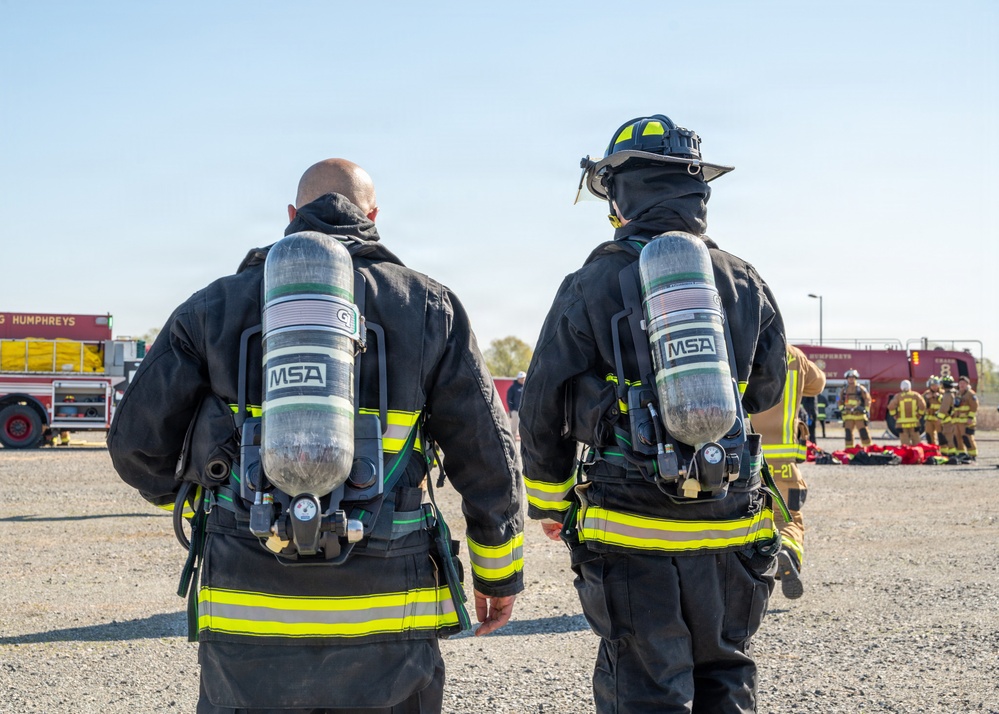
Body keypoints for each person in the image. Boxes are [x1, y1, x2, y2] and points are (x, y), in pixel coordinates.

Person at [107, 159, 524, 713]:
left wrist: (200, 496)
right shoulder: (427, 307)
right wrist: (498, 576)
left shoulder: (215, 306)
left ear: (291, 216)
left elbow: (136, 445)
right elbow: (488, 457)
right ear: (373, 216)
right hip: (388, 614)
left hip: (247, 607)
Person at [520, 114, 787, 712]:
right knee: (725, 673)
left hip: (631, 527)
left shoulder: (592, 281)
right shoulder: (744, 280)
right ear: (698, 194)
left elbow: (542, 404)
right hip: (732, 525)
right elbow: (767, 390)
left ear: (620, 194)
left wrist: (549, 500)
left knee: (645, 687)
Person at [751, 344, 826, 600]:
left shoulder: (742, 345)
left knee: (745, 519)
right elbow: (818, 384)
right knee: (789, 518)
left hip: (748, 462)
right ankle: (788, 552)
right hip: (783, 466)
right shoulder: (794, 355)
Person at [887, 380, 926, 446]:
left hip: (901, 424)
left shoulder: (898, 396)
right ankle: (918, 455)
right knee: (917, 443)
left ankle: (907, 455)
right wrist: (920, 414)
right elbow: (923, 405)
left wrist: (894, 415)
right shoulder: (916, 395)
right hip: (914, 423)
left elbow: (891, 406)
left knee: (905, 444)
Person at [840, 369, 872, 448]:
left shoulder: (861, 389)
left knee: (863, 433)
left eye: (852, 378)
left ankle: (868, 449)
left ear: (856, 378)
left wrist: (866, 410)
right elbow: (839, 400)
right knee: (848, 434)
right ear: (847, 379)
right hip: (848, 416)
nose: (851, 379)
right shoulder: (844, 390)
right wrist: (841, 409)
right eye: (849, 378)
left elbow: (867, 399)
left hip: (859, 415)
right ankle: (849, 449)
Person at [953, 375, 979, 463]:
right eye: (960, 383)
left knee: (967, 437)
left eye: (963, 383)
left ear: (967, 384)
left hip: (967, 421)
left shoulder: (971, 394)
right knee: (957, 437)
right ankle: (961, 454)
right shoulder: (957, 393)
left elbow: (974, 407)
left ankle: (972, 454)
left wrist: (970, 417)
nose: (961, 385)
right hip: (957, 421)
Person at [922, 376, 944, 446]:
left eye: (936, 385)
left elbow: (947, 403)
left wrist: (938, 397)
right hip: (929, 419)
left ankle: (943, 451)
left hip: (939, 419)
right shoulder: (926, 394)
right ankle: (932, 451)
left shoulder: (943, 393)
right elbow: (920, 403)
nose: (934, 387)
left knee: (942, 436)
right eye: (932, 385)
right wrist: (926, 398)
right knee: (929, 436)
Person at [507, 370, 526, 437]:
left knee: (524, 429)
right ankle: (513, 442)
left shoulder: (526, 387)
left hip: (525, 412)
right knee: (514, 428)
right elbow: (509, 399)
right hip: (516, 411)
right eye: (521, 378)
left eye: (523, 378)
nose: (522, 379)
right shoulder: (513, 388)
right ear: (518, 379)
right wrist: (512, 410)